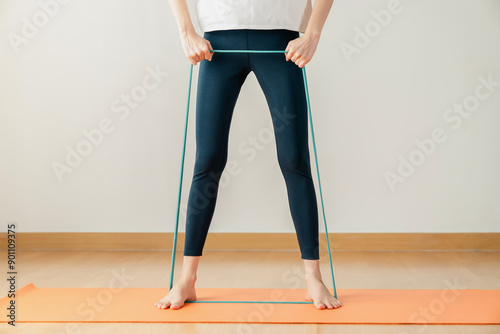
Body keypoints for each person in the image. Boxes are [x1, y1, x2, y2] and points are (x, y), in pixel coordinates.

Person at [155, 0, 342, 310]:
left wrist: (312, 34)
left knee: (295, 159)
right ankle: (187, 280)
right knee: (208, 160)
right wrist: (186, 31)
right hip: (218, 42)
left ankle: (314, 279)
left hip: (281, 41)